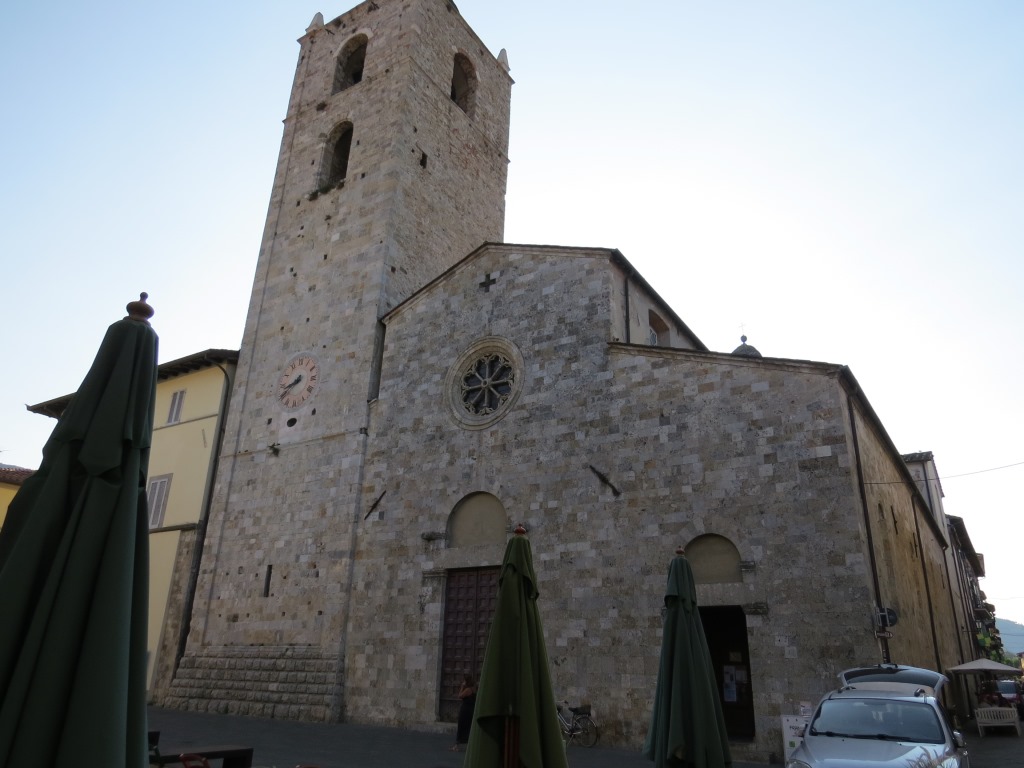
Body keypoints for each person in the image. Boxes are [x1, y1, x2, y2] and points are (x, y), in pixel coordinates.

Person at [451, 674, 477, 751]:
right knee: (468, 727)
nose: (463, 682)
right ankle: (468, 744)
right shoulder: (474, 689)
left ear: (466, 681)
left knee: (461, 726)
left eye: (464, 680)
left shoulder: (468, 690)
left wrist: (462, 687)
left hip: (465, 710)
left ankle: (456, 746)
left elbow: (460, 696)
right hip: (470, 710)